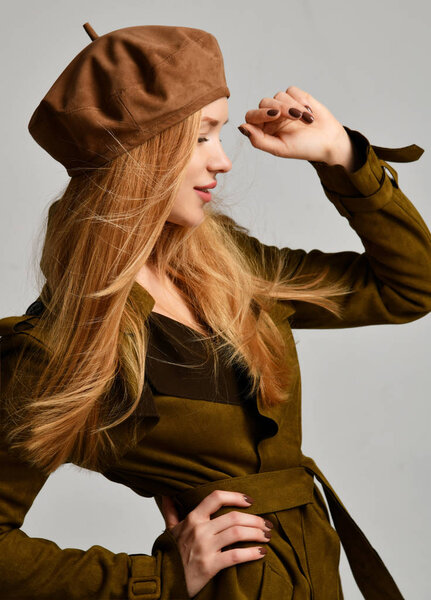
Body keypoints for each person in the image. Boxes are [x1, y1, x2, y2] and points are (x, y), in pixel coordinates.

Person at [0, 21, 430, 600]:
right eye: (201, 137)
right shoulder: (59, 344)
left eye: (220, 133)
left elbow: (410, 287)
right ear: (144, 156)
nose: (223, 161)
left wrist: (343, 156)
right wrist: (158, 579)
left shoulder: (231, 268)